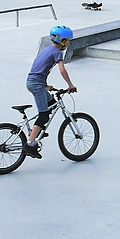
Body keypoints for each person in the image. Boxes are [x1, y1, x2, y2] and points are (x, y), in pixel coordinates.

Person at [22, 25, 77, 158]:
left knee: (51, 102)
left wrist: (45, 86)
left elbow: (38, 67)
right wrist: (70, 85)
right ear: (63, 40)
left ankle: (38, 129)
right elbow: (62, 70)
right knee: (44, 115)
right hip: (36, 84)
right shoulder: (58, 53)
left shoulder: (47, 50)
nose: (68, 43)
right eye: (68, 40)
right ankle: (30, 144)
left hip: (33, 82)